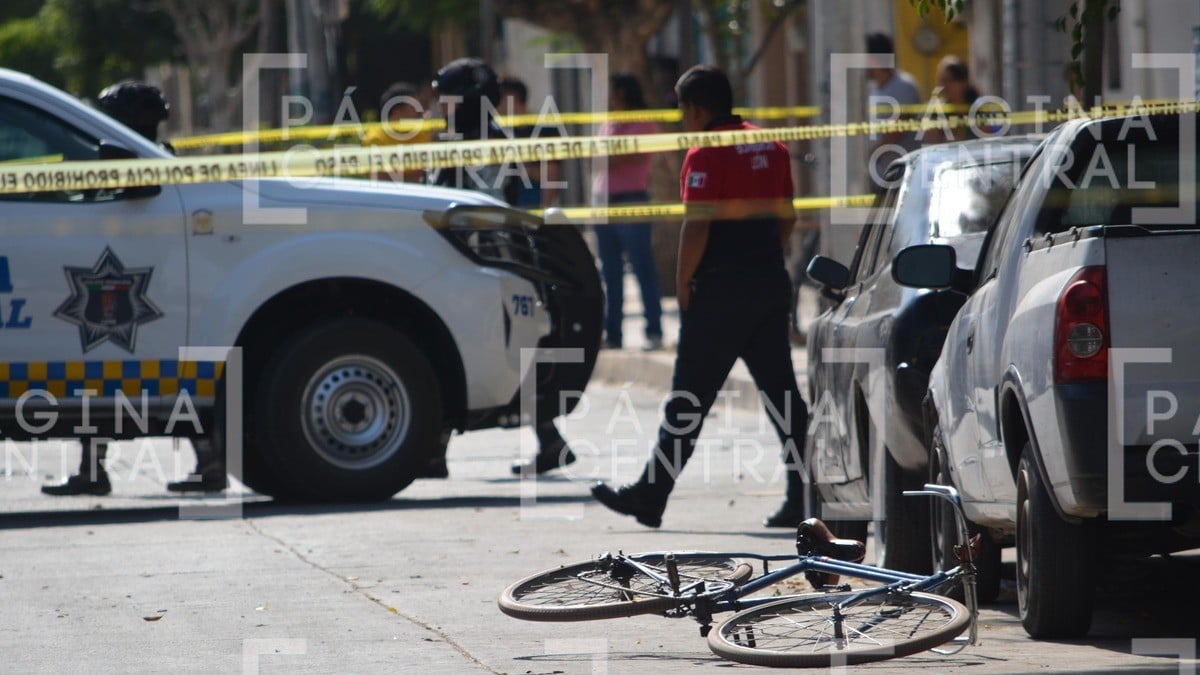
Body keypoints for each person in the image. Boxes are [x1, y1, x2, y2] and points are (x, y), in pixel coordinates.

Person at [591, 65, 810, 529]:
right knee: (784, 397)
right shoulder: (771, 145)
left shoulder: (706, 150)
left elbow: (698, 224)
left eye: (682, 111)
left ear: (695, 108)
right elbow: (788, 216)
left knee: (687, 400)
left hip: (720, 290)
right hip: (768, 283)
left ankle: (650, 496)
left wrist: (684, 282)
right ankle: (809, 498)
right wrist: (767, 255)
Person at [43, 81, 225, 495]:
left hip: (135, 289)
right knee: (110, 375)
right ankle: (98, 469)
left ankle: (203, 465)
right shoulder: (139, 159)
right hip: (126, 287)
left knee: (111, 375)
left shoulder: (141, 163)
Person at [426, 57, 576, 477]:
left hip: (485, 265)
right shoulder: (463, 140)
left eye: (448, 99)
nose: (441, 106)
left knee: (488, 351)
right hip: (474, 263)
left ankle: (438, 447)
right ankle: (438, 448)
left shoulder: (482, 144)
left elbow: (465, 202)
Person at [591, 73, 664, 351]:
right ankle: (613, 334)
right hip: (604, 202)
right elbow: (599, 160)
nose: (608, 99)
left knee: (642, 268)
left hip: (632, 201)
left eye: (612, 93)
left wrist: (609, 157)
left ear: (623, 94)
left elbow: (629, 157)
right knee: (610, 274)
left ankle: (654, 330)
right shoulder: (607, 125)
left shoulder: (644, 124)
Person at [865, 33, 921, 192]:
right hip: (881, 175)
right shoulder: (873, 90)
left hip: (903, 175)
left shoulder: (904, 86)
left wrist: (870, 156)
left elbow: (898, 129)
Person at [497, 76, 563, 208]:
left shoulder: (545, 130)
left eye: (499, 100)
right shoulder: (503, 132)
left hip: (532, 202)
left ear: (512, 99)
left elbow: (551, 177)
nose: (496, 106)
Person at [364, 81, 433, 182]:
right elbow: (383, 183)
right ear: (397, 112)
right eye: (414, 107)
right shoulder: (375, 140)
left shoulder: (424, 135)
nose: (420, 112)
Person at [927, 55, 983, 144]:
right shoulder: (935, 112)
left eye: (950, 80)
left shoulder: (980, 109)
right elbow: (933, 146)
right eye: (942, 80)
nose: (944, 86)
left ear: (965, 82)